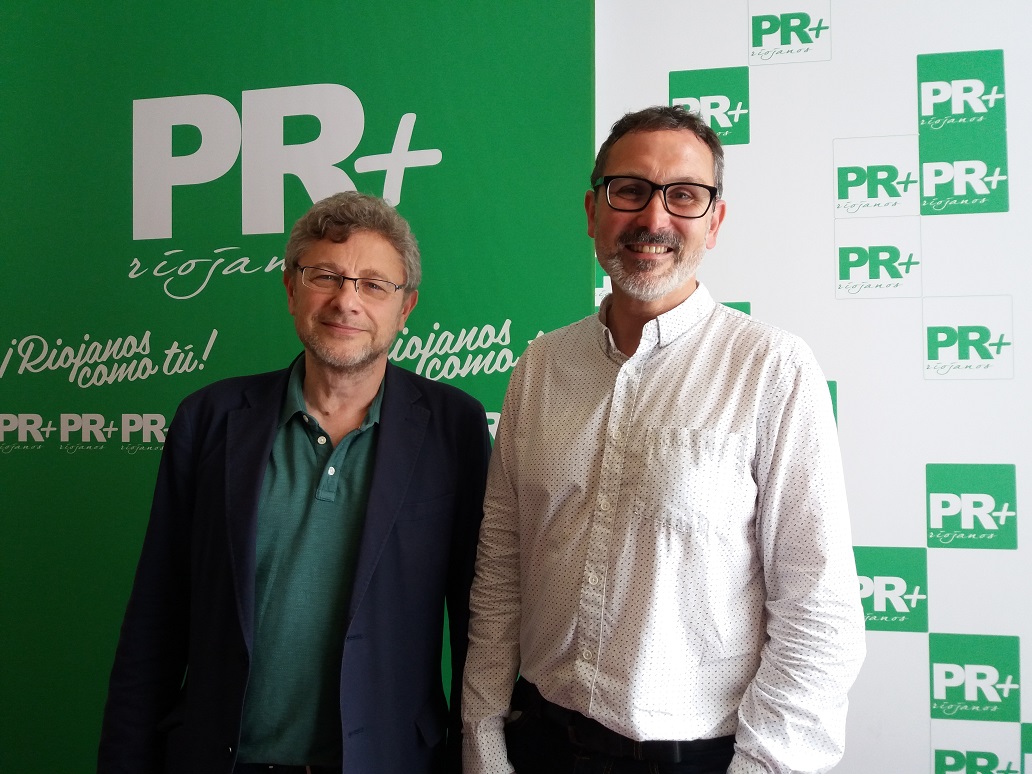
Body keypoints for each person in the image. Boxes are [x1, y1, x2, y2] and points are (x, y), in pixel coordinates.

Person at [461, 106, 866, 774]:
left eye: (683, 195)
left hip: (698, 758)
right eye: (630, 190)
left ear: (715, 220)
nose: (653, 218)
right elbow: (502, 568)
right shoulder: (540, 367)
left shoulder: (772, 369)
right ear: (593, 211)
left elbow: (817, 611)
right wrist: (483, 738)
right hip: (538, 743)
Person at [99, 192, 491, 774]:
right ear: (290, 288)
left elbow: (480, 624)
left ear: (405, 307)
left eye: (373, 284)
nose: (346, 300)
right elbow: (155, 618)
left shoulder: (453, 427)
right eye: (324, 276)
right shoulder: (208, 420)